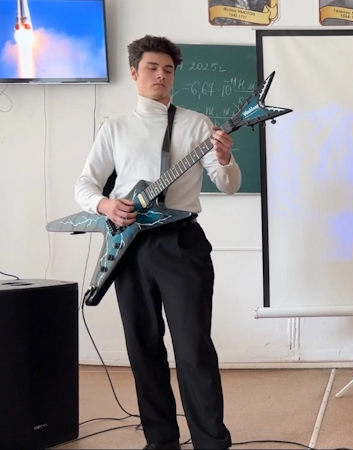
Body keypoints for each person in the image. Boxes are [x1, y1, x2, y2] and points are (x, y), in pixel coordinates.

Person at [74, 35, 240, 450]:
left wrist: (224, 158)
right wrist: (106, 205)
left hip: (181, 243)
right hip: (129, 247)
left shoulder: (197, 124)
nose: (161, 75)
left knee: (193, 348)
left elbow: (229, 185)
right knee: (143, 347)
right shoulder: (114, 128)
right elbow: (84, 185)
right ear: (134, 72)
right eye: (152, 67)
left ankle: (211, 443)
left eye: (168, 69)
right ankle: (160, 440)